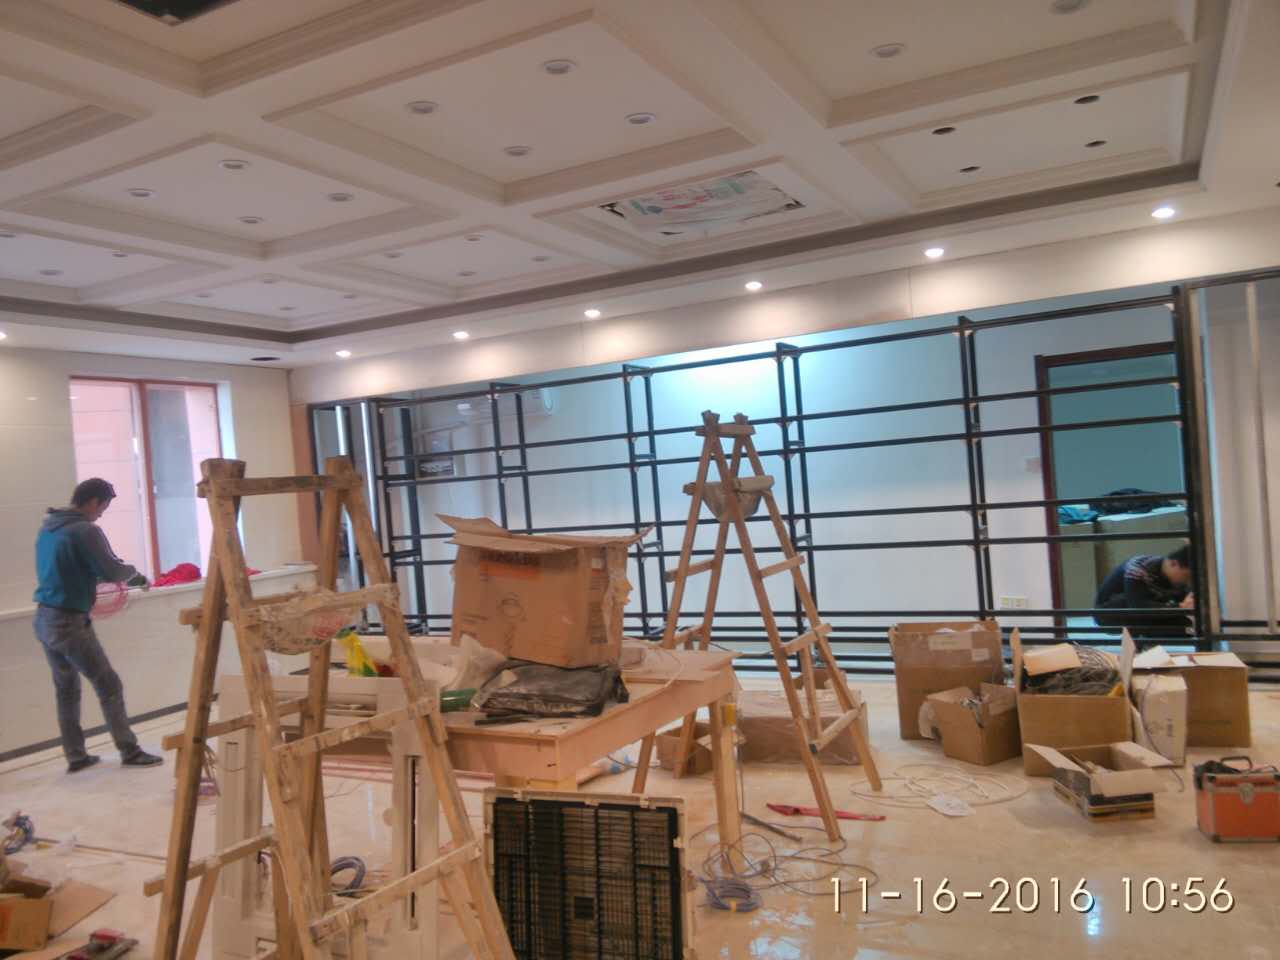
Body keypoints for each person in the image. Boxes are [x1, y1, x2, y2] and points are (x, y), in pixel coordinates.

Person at [33, 478, 163, 772]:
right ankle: (129, 751)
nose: (102, 514)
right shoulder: (85, 530)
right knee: (109, 685)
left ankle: (76, 756)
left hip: (44, 618)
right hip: (68, 622)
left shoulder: (49, 527)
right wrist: (137, 576)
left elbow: (74, 568)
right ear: (93, 501)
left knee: (66, 688)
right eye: (103, 507)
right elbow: (111, 569)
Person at [1094, 543, 1195, 640]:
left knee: (1188, 626)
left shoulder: (1173, 577)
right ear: (1173, 564)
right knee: (1140, 607)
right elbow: (1138, 607)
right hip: (1109, 613)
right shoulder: (1138, 567)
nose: (1187, 581)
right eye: (1186, 576)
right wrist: (1181, 607)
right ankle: (1140, 640)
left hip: (1144, 609)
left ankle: (1147, 636)